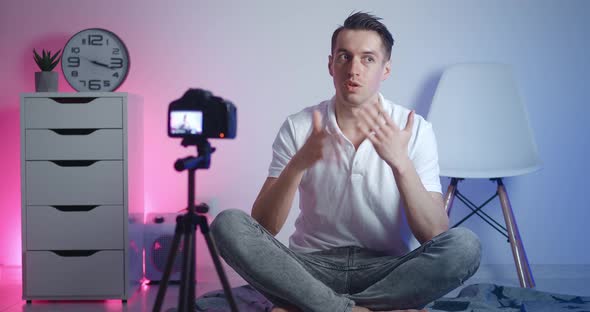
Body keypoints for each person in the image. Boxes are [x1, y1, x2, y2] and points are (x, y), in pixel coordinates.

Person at [211, 11, 481, 312]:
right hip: (309, 269)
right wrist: (299, 164)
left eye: (368, 59)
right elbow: (263, 226)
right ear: (331, 64)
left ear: (386, 69)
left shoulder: (414, 129)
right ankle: (361, 309)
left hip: (388, 270)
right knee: (227, 223)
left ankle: (322, 308)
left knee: (466, 245)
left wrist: (400, 164)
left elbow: (434, 234)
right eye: (344, 56)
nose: (354, 69)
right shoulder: (299, 126)